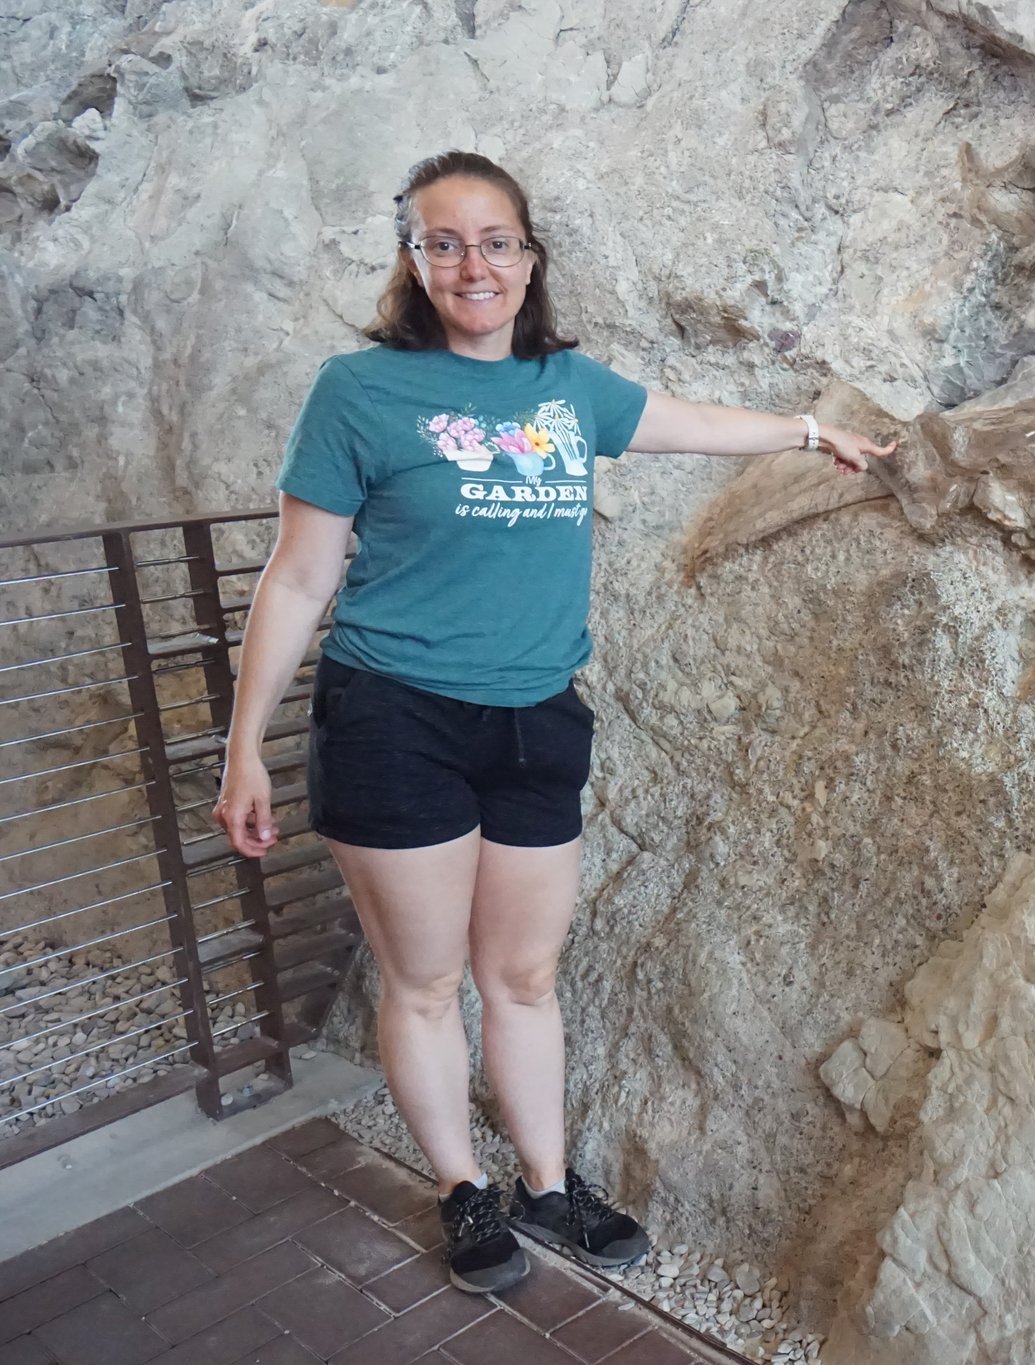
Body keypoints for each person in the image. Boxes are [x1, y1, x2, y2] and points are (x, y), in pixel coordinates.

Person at [212, 150, 896, 1294]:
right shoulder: (359, 392)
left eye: (496, 241)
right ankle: (460, 1190)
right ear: (413, 260)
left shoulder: (566, 385)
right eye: (444, 242)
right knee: (424, 981)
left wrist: (807, 431)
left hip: (536, 720)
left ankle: (543, 1182)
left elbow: (679, 421)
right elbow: (295, 578)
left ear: (530, 259)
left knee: (522, 977)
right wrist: (243, 749)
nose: (473, 264)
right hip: (395, 716)